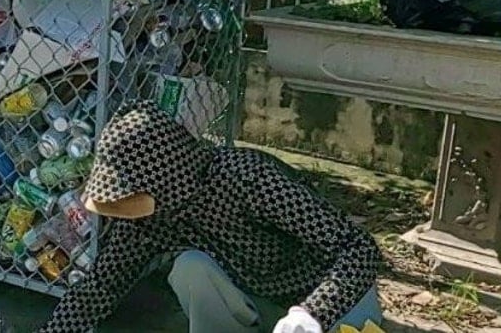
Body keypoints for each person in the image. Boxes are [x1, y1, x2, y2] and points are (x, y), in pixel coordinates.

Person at [39, 102, 383, 333]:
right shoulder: (151, 218)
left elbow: (359, 248)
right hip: (256, 301)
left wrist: (313, 313)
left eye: (126, 191)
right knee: (190, 266)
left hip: (327, 298)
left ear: (166, 175)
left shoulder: (248, 178)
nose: (121, 202)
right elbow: (100, 287)